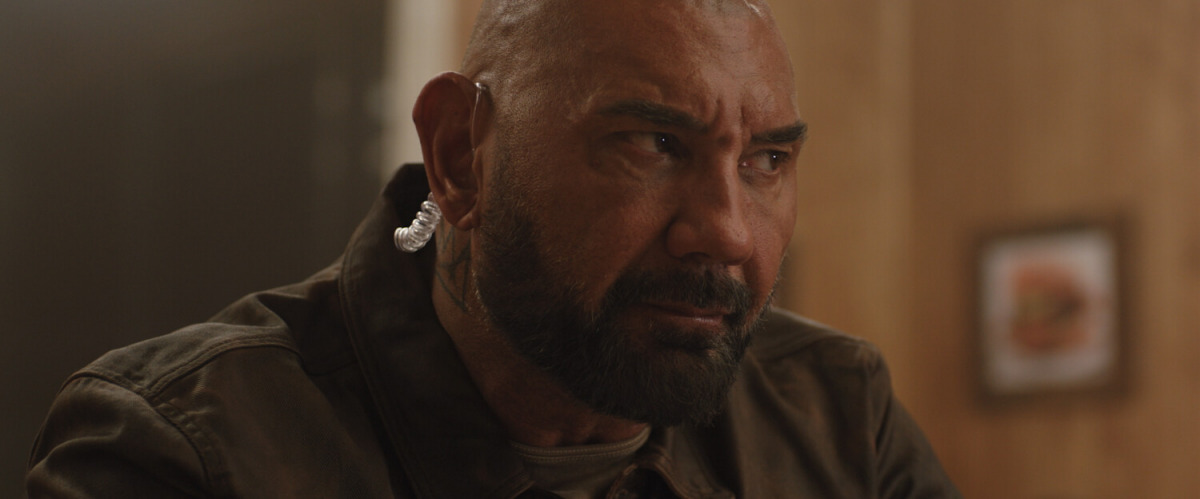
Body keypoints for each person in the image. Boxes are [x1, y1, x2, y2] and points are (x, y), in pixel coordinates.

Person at [26, 0, 960, 497]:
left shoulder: (836, 416)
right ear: (460, 155)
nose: (726, 230)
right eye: (652, 143)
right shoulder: (188, 448)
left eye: (766, 160)